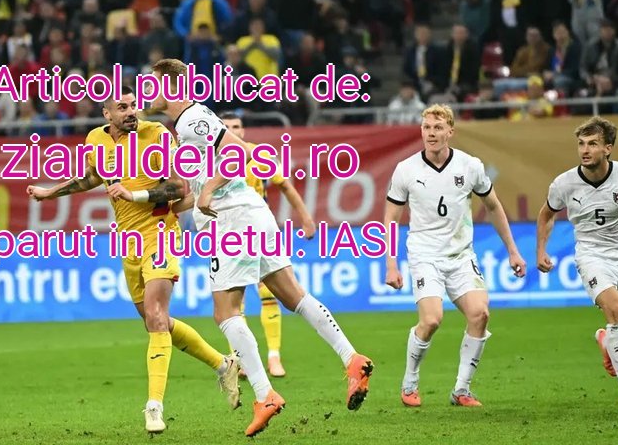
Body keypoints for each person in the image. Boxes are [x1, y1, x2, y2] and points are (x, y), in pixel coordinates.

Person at [149, 58, 373, 437]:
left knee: (225, 312)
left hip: (233, 220)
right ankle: (352, 358)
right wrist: (173, 203)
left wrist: (208, 190)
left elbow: (239, 152)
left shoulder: (191, 119)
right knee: (293, 295)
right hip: (251, 212)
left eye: (151, 85)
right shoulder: (187, 124)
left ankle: (264, 394)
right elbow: (206, 179)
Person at [25, 85, 240, 434]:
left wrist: (134, 194)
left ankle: (154, 407)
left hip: (161, 232)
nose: (131, 112)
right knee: (155, 321)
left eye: (134, 105)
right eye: (122, 107)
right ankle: (223, 364)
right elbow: (92, 177)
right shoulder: (96, 139)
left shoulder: (157, 135)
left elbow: (177, 189)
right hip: (129, 242)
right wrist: (50, 192)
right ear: (107, 114)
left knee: (156, 316)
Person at [384, 104, 526, 408]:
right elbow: (391, 218)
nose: (431, 133)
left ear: (450, 131)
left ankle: (461, 389)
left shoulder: (470, 166)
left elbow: (493, 206)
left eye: (438, 128)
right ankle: (410, 382)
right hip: (425, 255)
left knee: (480, 314)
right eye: (426, 127)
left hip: (461, 255)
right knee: (432, 320)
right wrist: (391, 265)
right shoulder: (406, 170)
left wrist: (513, 251)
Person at [536, 117, 618, 411]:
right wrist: (541, 250)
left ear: (608, 148)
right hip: (592, 256)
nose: (585, 150)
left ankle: (608, 340)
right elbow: (546, 214)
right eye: (581, 144)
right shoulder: (564, 183)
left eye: (593, 144)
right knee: (615, 309)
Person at [218, 111, 317, 378]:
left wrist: (306, 218)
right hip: (228, 235)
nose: (232, 130)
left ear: (243, 130)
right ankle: (239, 359)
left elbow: (285, 186)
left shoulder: (256, 155)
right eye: (226, 127)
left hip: (260, 232)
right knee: (234, 302)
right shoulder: (212, 159)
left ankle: (274, 356)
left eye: (236, 126)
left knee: (269, 294)